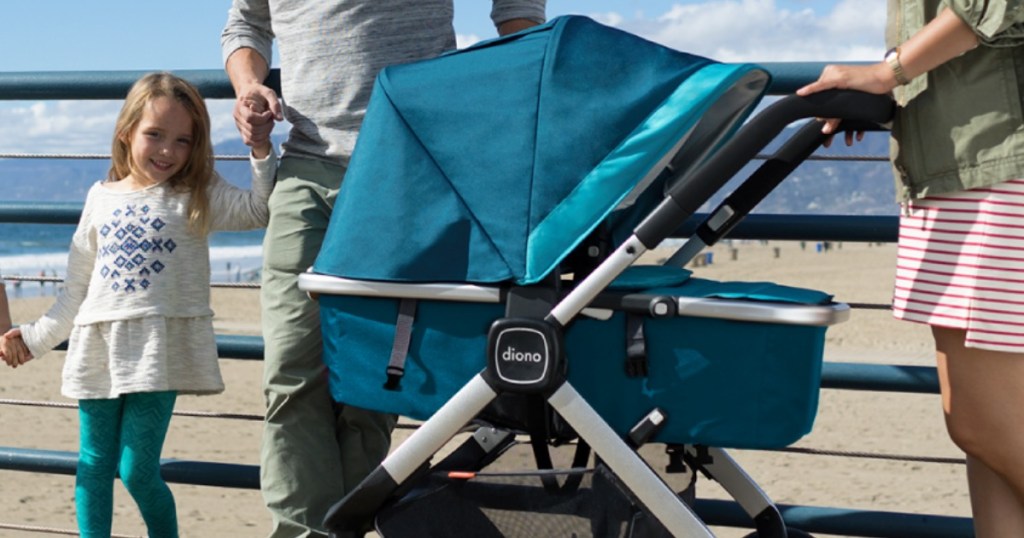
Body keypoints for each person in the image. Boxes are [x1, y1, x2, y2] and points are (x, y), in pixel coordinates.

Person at [220, 2, 546, 536]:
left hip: (409, 164)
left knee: (373, 379)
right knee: (288, 369)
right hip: (305, 167)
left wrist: (515, 73)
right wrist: (248, 86)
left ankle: (346, 529)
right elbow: (246, 22)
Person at [0, 72, 277, 538]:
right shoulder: (98, 198)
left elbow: (259, 209)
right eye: (155, 134)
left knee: (137, 471)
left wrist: (261, 149)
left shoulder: (197, 193)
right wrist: (32, 340)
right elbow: (76, 290)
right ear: (127, 131)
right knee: (92, 466)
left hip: (157, 351)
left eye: (183, 140)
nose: (168, 150)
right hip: (98, 346)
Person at [797, 3, 1024, 536]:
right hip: (956, 163)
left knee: (982, 422)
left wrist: (887, 73)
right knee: (990, 434)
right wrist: (892, 89)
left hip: (993, 165)